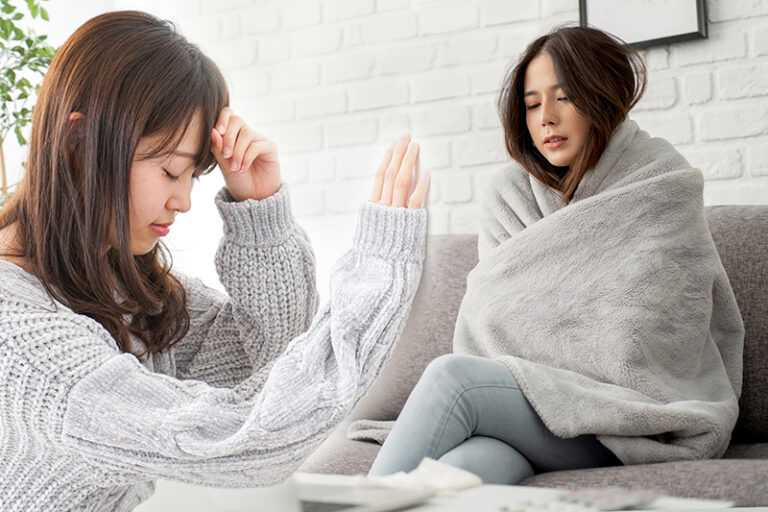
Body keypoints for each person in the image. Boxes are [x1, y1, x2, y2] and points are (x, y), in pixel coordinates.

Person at [0, 10, 431, 512]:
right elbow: (240, 439)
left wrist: (259, 211)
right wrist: (379, 276)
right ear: (78, 143)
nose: (183, 201)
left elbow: (262, 351)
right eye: (169, 170)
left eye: (193, 177)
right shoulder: (18, 333)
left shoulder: (117, 285)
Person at [368, 26, 744, 484]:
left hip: (628, 422)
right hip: (532, 418)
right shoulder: (509, 197)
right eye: (531, 105)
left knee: (453, 379)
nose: (545, 117)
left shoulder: (661, 184)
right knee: (470, 467)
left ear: (600, 95)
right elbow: (496, 317)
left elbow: (653, 324)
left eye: (563, 98)